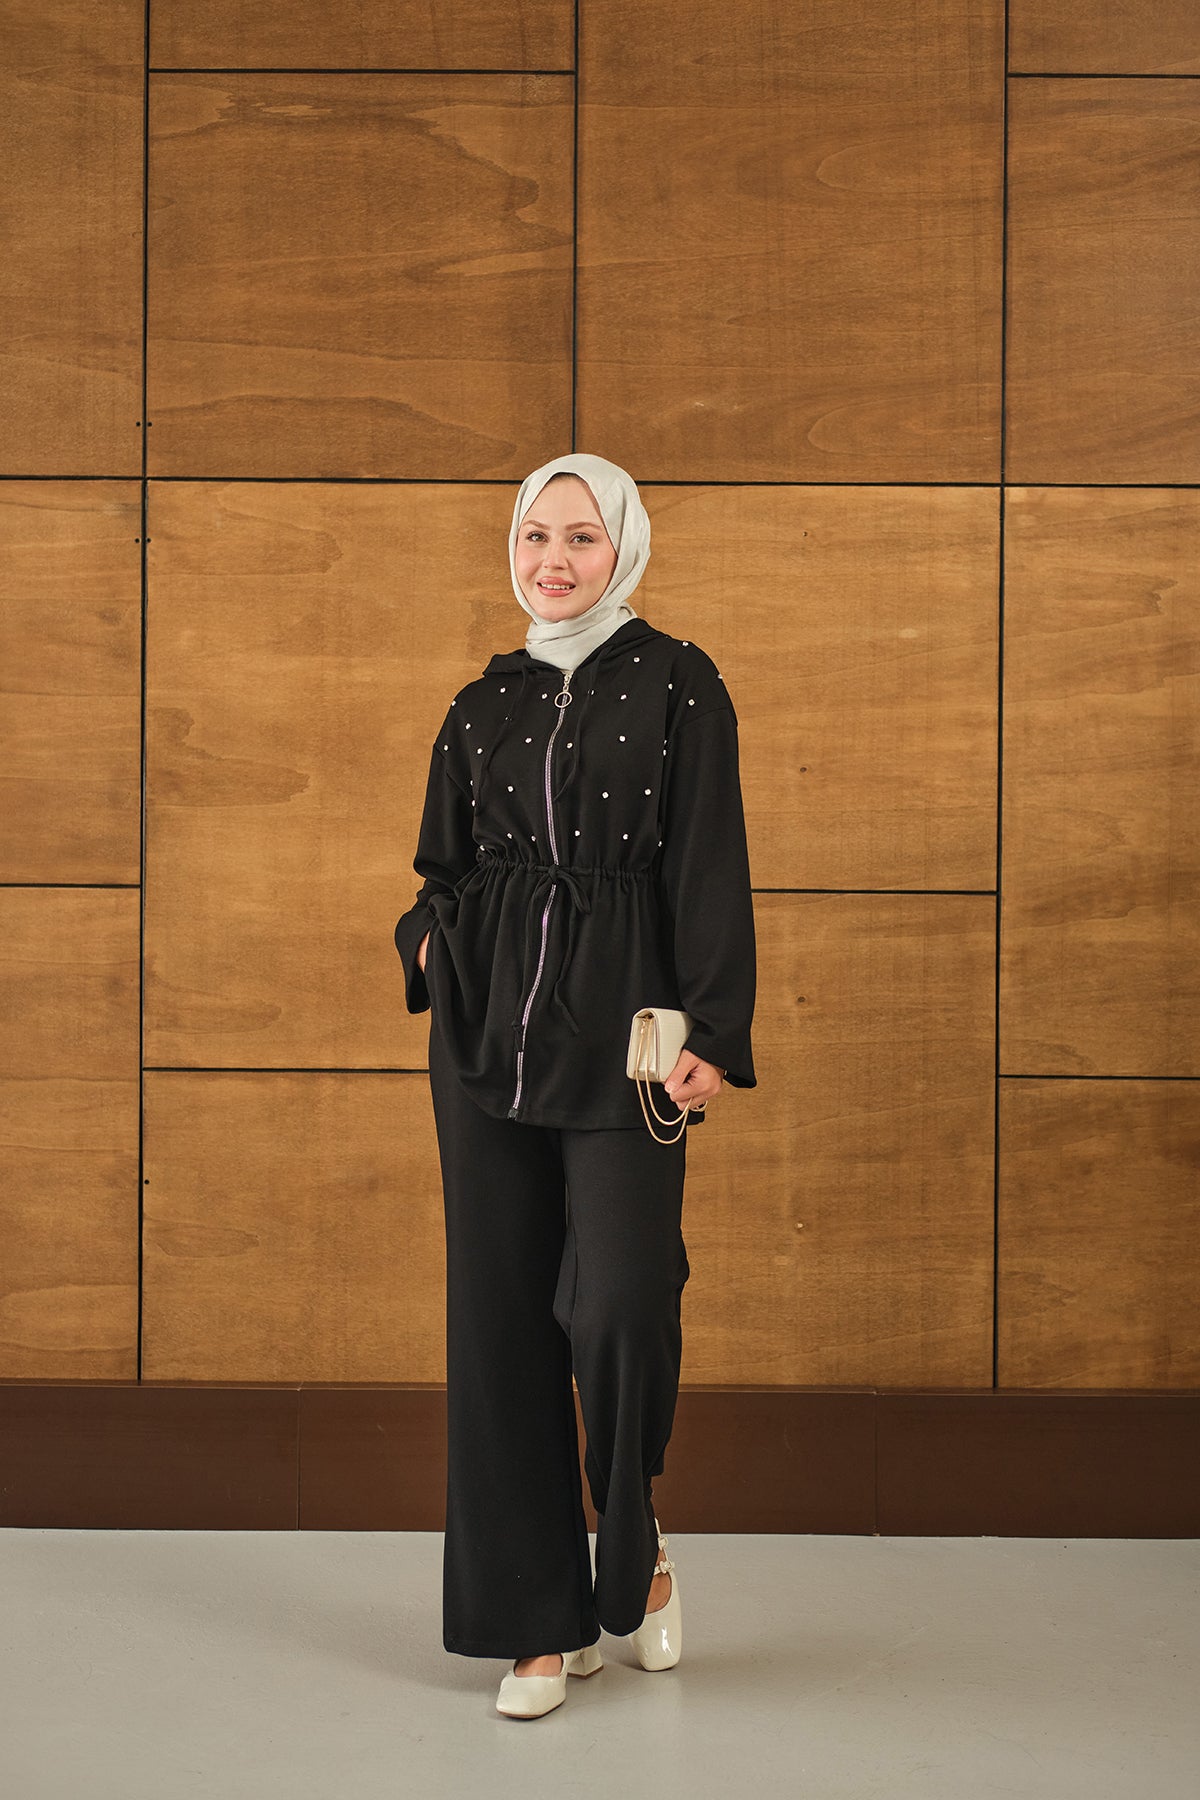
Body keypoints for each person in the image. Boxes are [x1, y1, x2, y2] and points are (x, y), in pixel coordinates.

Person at [393, 451, 757, 1718]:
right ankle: (536, 1624)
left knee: (620, 1305)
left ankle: (632, 1533)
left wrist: (716, 1027)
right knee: (498, 1327)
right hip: (482, 1044)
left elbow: (709, 861)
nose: (553, 560)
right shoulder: (479, 703)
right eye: (535, 536)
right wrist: (427, 947)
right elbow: (442, 867)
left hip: (629, 1042)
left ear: (625, 549)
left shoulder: (680, 684)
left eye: (581, 537)